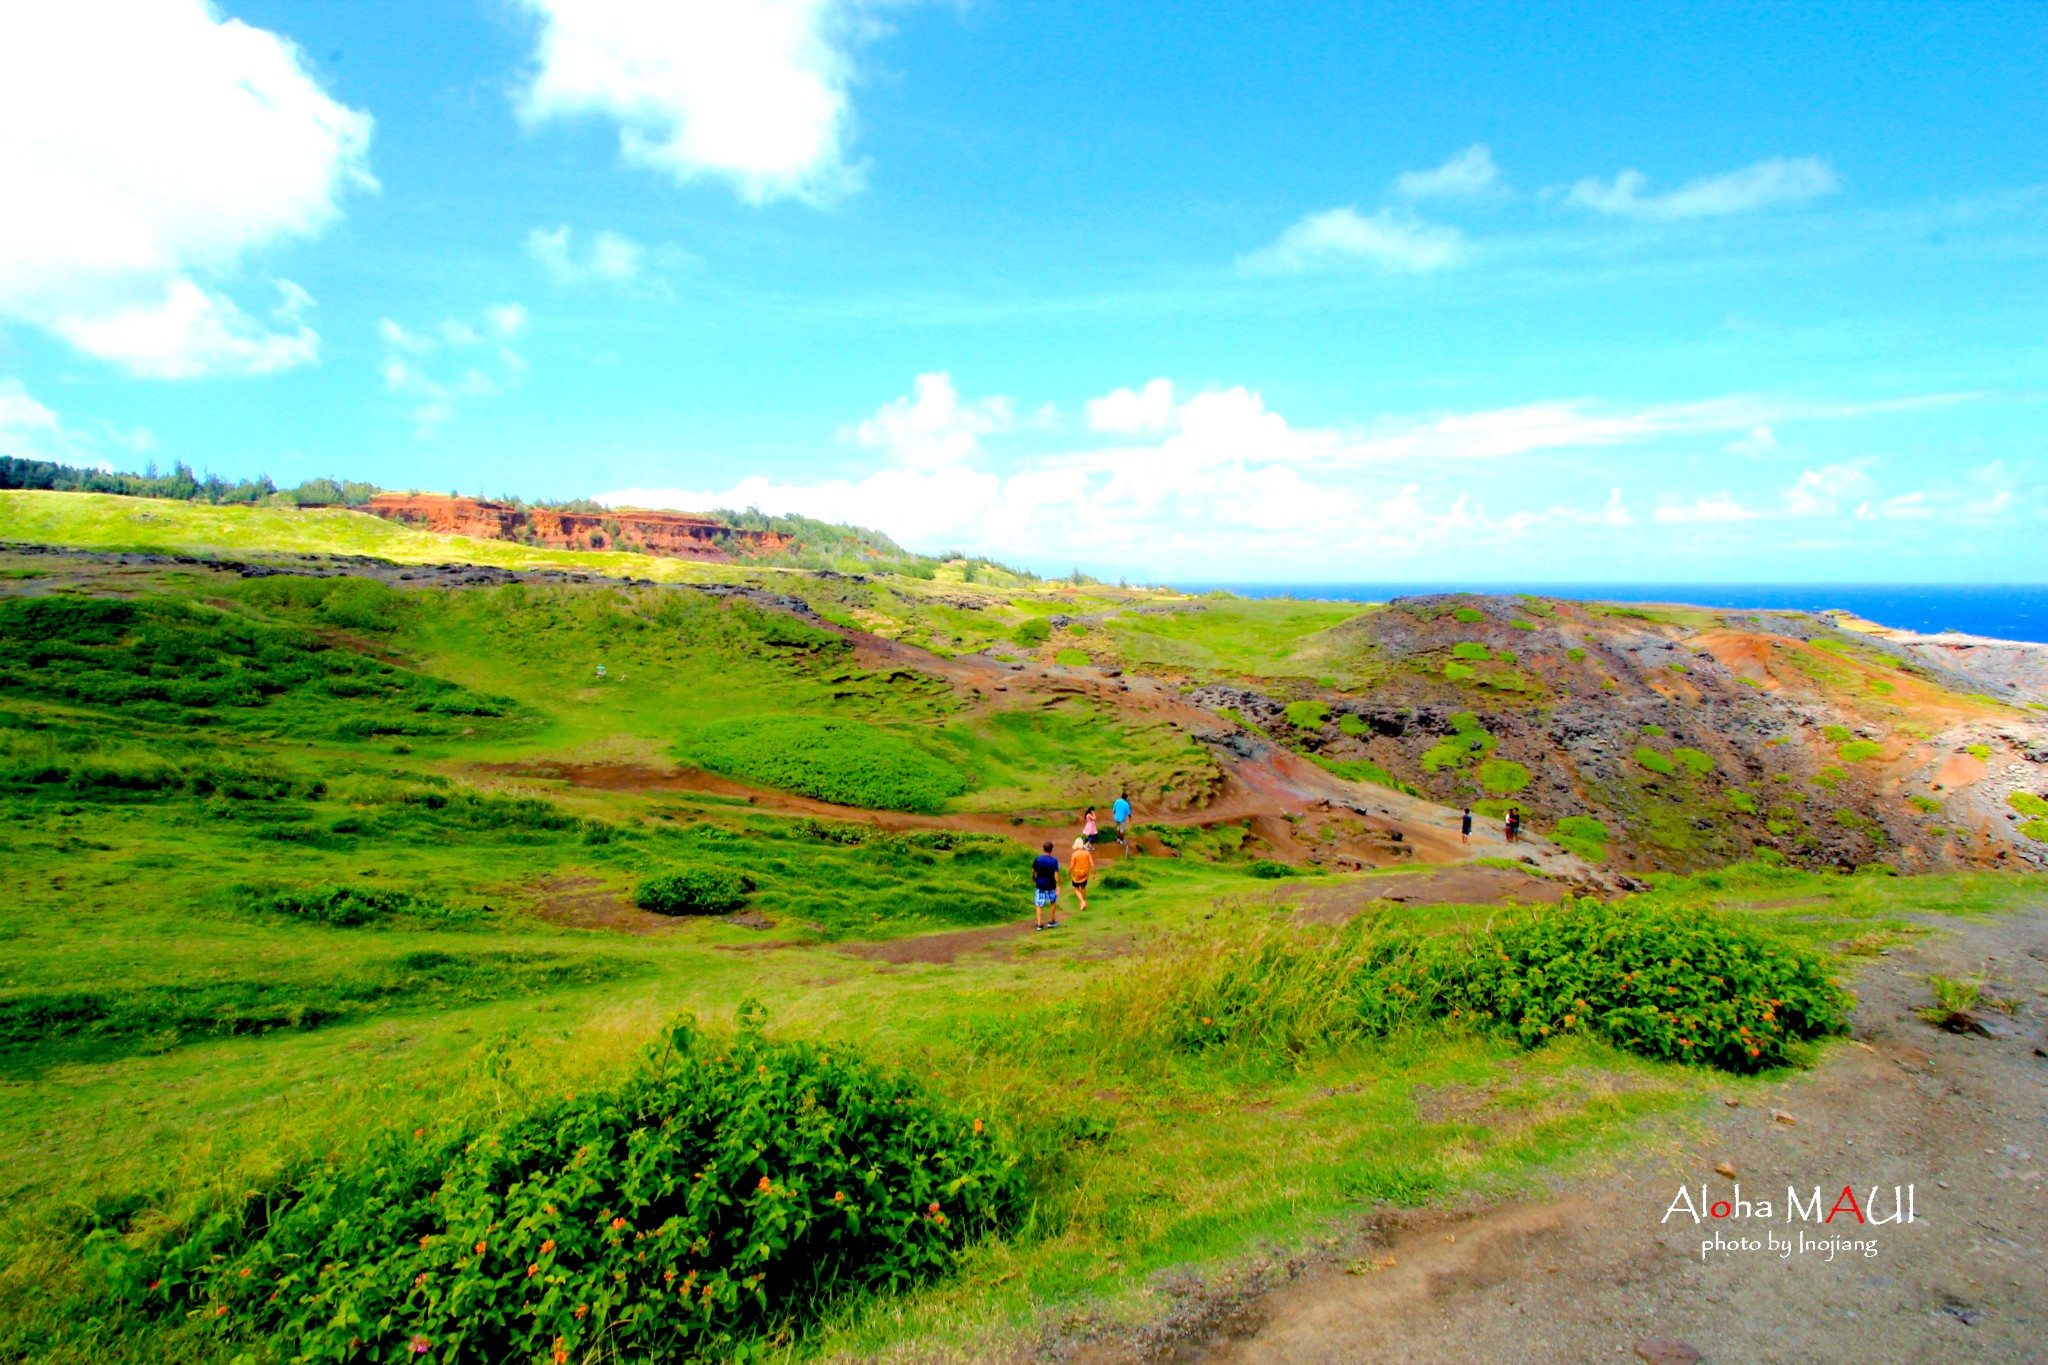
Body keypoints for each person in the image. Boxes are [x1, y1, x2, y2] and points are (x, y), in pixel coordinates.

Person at [1032, 840, 1061, 929]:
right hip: (1051, 885)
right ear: (1051, 849)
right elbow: (1056, 873)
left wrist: (1033, 877)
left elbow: (1033, 870)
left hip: (1040, 884)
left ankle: (1040, 924)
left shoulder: (1038, 859)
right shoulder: (1054, 861)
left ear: (1043, 848)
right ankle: (1051, 921)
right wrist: (1058, 885)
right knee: (1053, 902)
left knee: (1039, 904)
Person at [1069, 836, 1094, 911]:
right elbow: (1092, 863)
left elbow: (1072, 866)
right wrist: (1094, 873)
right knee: (1083, 887)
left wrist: (1069, 873)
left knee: (1076, 888)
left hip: (1077, 873)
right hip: (1085, 873)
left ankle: (1082, 901)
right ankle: (1083, 903)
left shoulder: (1074, 854)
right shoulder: (1087, 853)